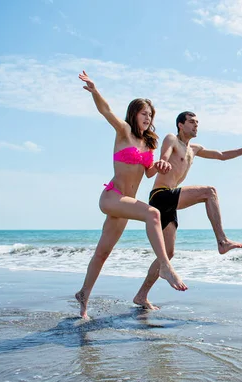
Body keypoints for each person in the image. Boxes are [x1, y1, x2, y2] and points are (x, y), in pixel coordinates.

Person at [74, 71, 188, 320]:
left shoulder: (149, 144)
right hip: (112, 197)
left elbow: (146, 173)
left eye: (150, 115)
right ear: (134, 113)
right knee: (152, 212)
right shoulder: (124, 131)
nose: (147, 118)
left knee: (102, 253)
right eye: (143, 113)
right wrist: (95, 91)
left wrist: (158, 166)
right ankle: (166, 267)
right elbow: (106, 111)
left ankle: (83, 295)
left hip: (124, 204)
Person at [132, 111, 242, 309]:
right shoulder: (172, 138)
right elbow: (165, 154)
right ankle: (222, 241)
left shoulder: (194, 149)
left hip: (171, 200)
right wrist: (161, 162)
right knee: (209, 192)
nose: (196, 126)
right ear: (180, 124)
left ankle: (141, 295)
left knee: (167, 254)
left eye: (197, 123)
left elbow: (221, 156)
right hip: (161, 195)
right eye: (192, 122)